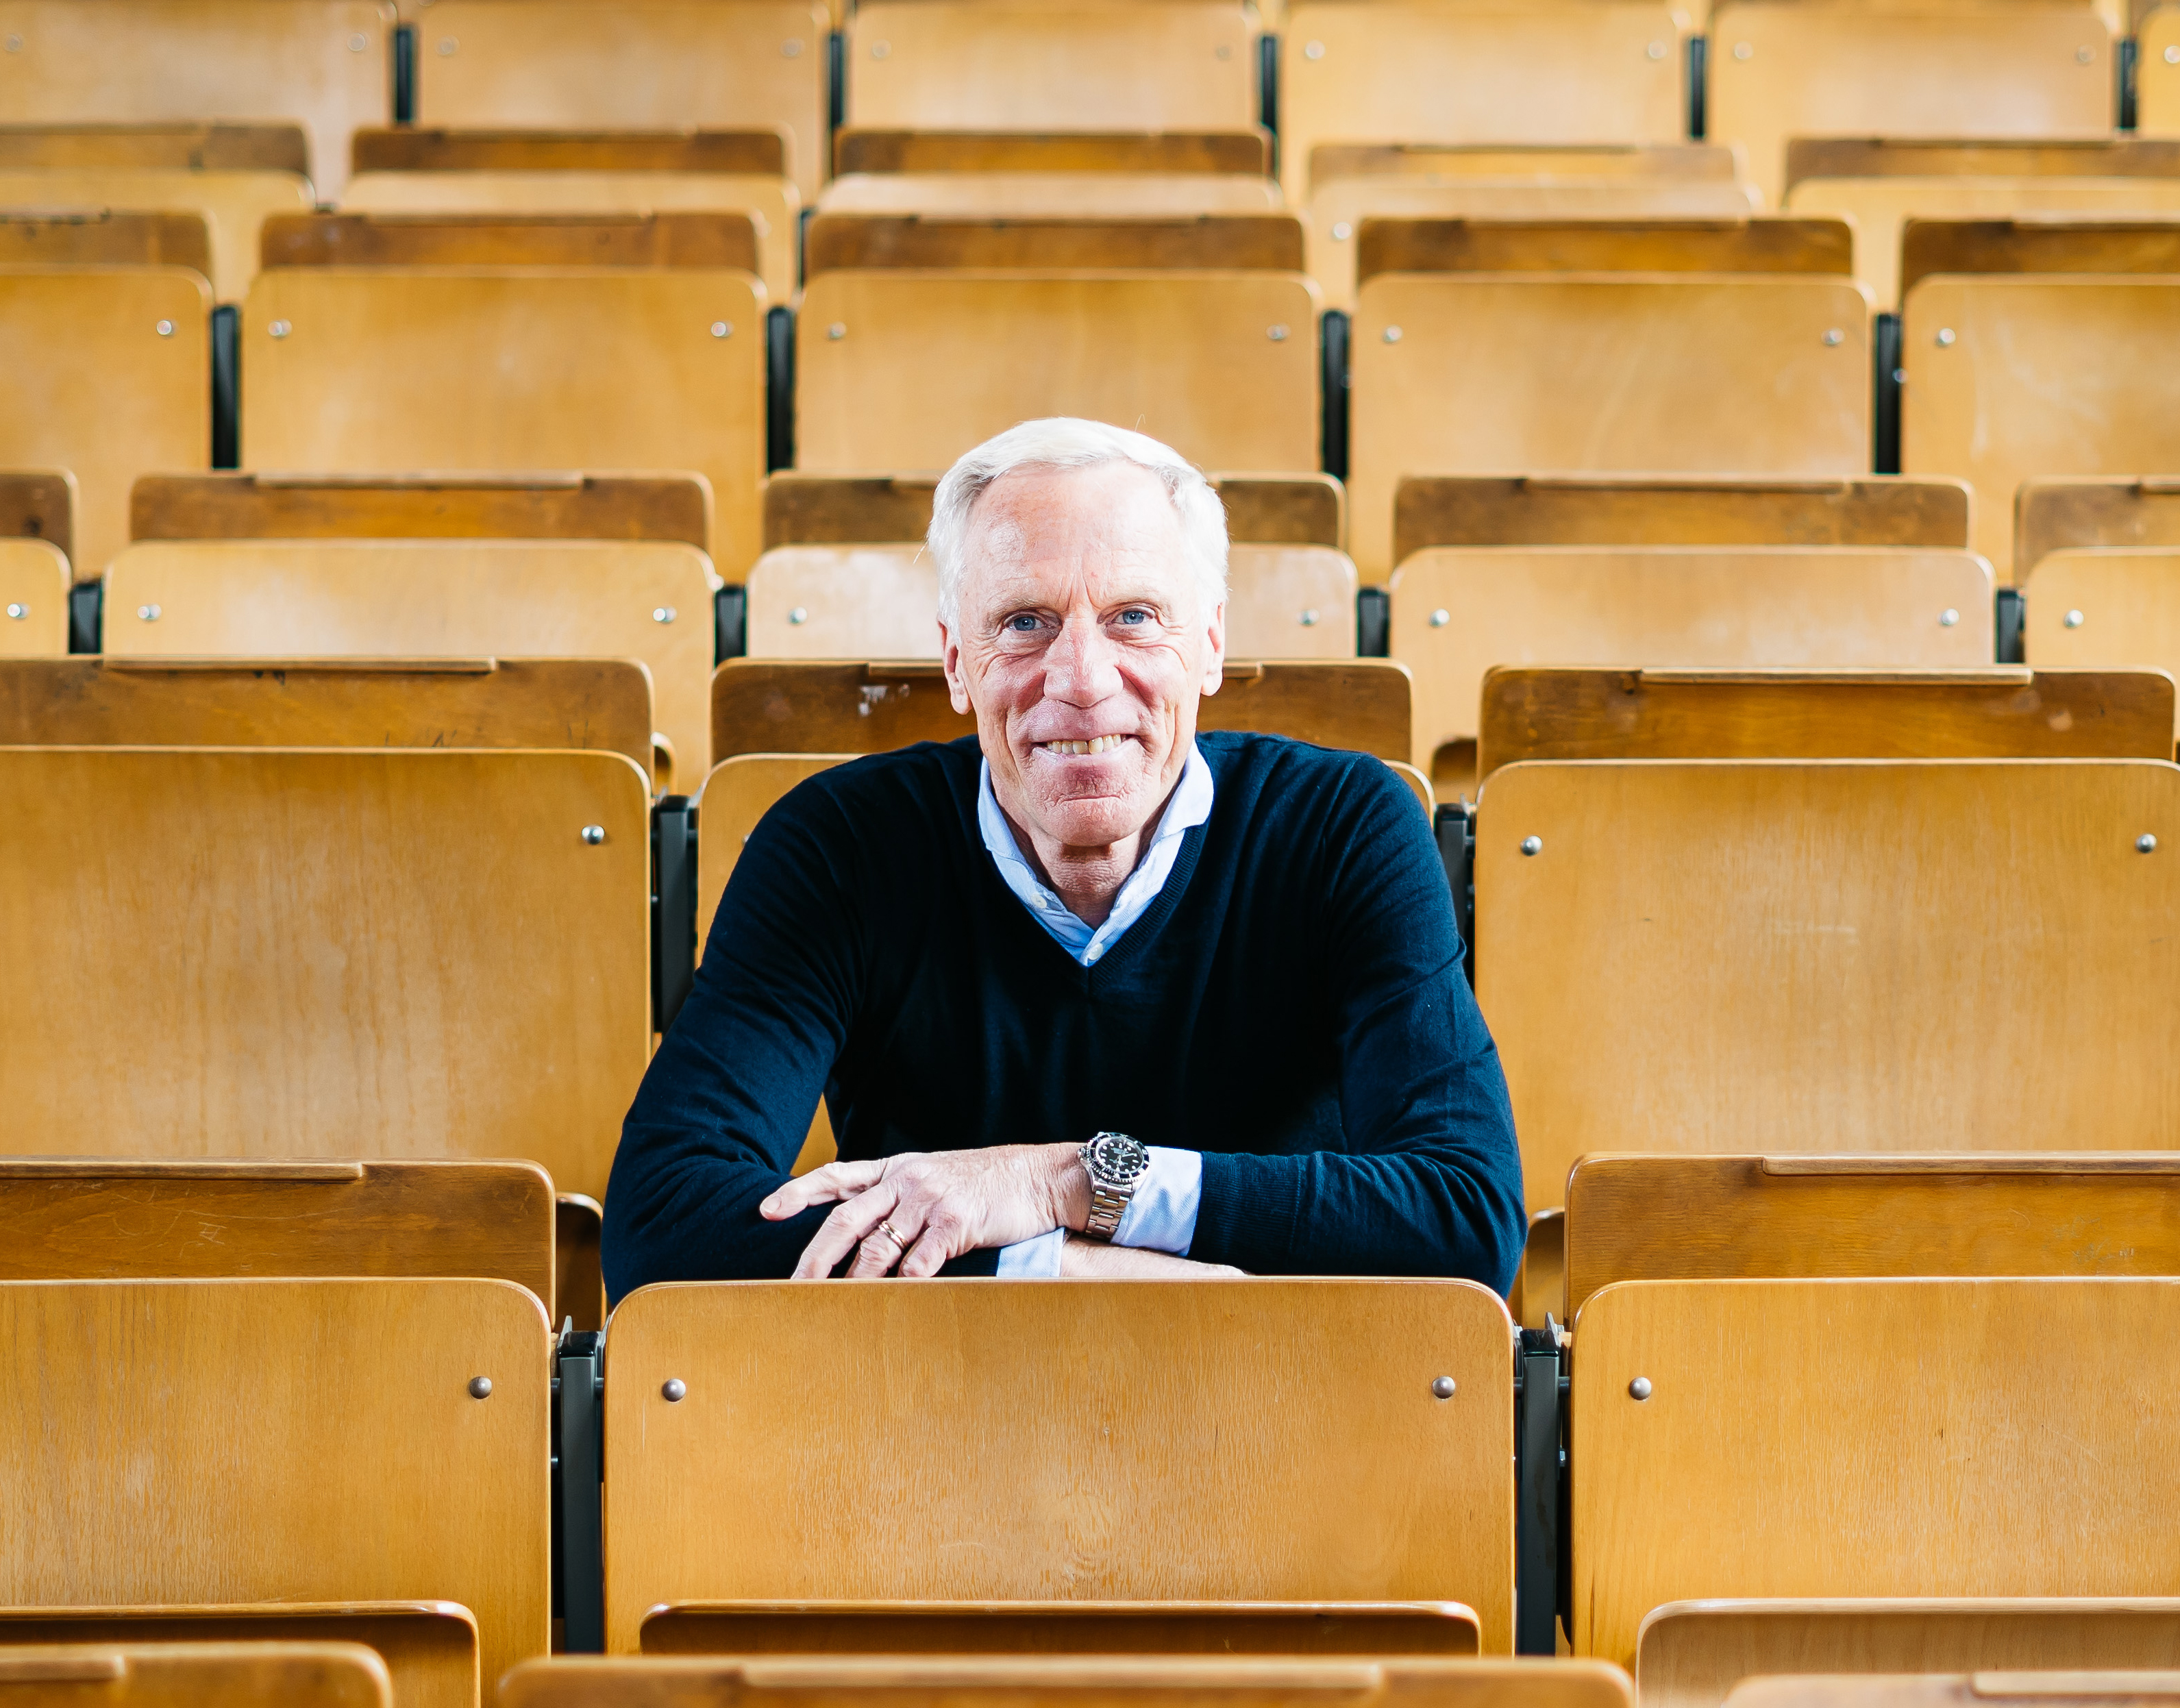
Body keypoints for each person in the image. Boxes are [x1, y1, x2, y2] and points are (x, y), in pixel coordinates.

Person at [602, 417, 1522, 1300]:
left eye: (1131, 617)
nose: (1081, 678)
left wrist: (1068, 1185)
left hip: (1280, 1410)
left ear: (1208, 646)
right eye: (1024, 623)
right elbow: (662, 1223)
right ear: (957, 663)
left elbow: (1464, 1216)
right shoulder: (837, 846)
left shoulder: (1340, 826)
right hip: (927, 1415)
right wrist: (1049, 1272)